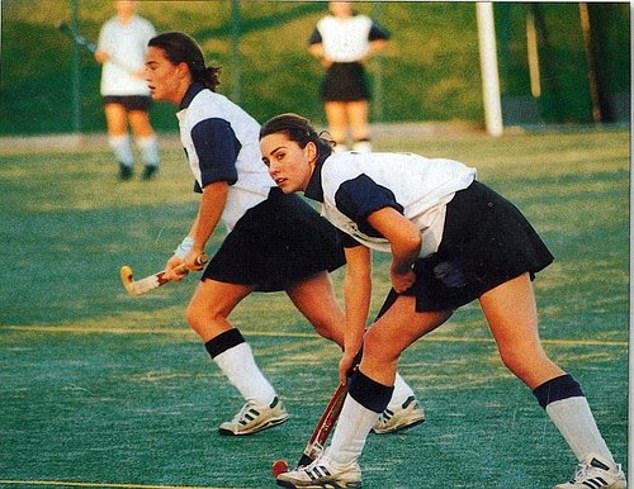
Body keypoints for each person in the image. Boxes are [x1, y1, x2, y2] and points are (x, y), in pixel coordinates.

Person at [259, 113, 627, 489]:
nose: (273, 168)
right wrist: (352, 344)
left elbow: (405, 237)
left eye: (280, 155)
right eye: (266, 161)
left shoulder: (340, 180)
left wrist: (401, 270)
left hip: (476, 227)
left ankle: (602, 468)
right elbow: (358, 275)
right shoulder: (330, 200)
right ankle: (339, 464)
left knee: (521, 354)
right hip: (458, 232)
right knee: (379, 345)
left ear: (309, 151)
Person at [143, 32, 424, 437]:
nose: (146, 74)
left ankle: (261, 401)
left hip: (267, 223)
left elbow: (219, 186)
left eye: (154, 66)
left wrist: (193, 245)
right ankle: (398, 400)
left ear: (181, 69)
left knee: (204, 313)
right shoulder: (200, 112)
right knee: (331, 323)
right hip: (280, 218)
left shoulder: (205, 115)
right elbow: (222, 190)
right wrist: (197, 246)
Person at [308, 1, 389, 153]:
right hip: (335, 72)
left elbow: (382, 39)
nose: (340, 5)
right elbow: (313, 45)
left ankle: (364, 157)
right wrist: (324, 56)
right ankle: (339, 157)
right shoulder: (325, 23)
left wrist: (366, 54)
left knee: (358, 118)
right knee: (336, 120)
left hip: (354, 71)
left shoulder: (363, 22)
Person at [95, 0, 160, 181]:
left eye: (130, 1)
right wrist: (101, 55)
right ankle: (125, 165)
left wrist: (146, 69)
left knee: (139, 123)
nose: (126, 4)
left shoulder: (144, 26)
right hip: (112, 84)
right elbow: (101, 54)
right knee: (116, 125)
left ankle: (151, 164)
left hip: (136, 86)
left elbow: (154, 54)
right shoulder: (108, 27)